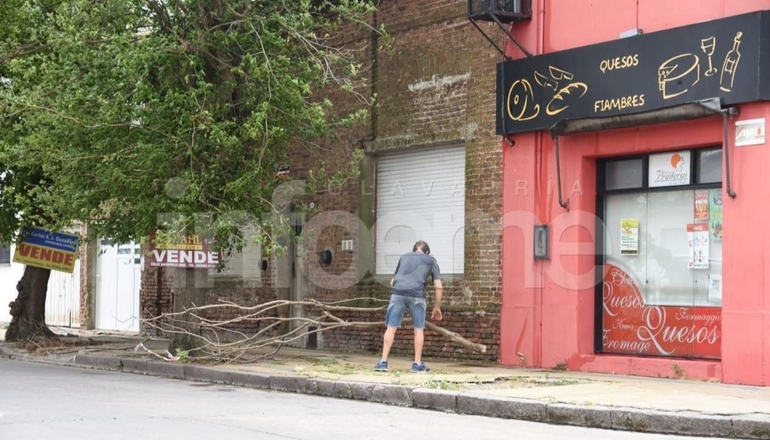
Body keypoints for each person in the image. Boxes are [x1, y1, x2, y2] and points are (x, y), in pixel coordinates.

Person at [374, 240, 442, 373]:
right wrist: (437, 307)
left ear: (414, 250)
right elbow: (438, 286)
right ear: (427, 252)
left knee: (391, 328)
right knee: (418, 329)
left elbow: (393, 281)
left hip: (397, 293)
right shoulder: (430, 260)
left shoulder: (404, 257)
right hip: (417, 295)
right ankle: (417, 364)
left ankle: (383, 362)